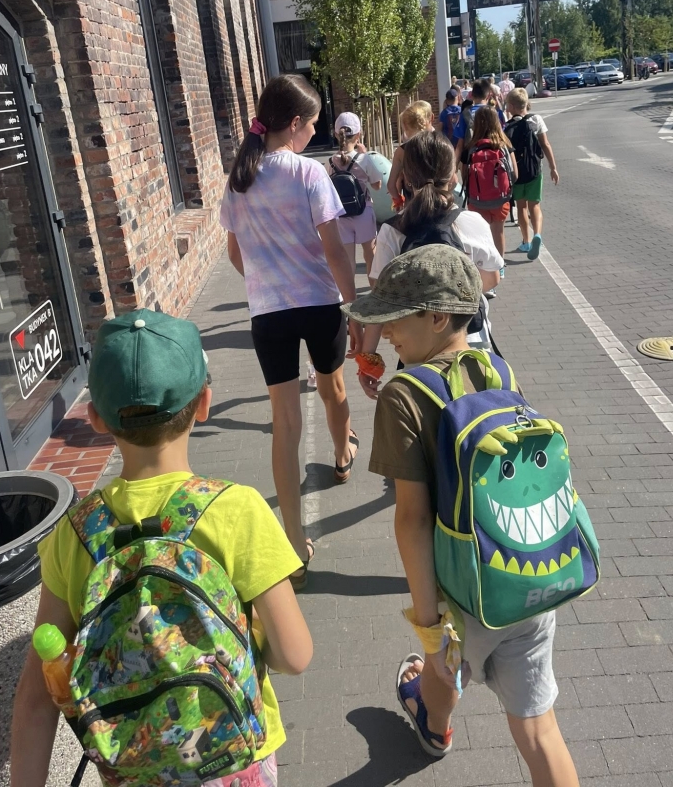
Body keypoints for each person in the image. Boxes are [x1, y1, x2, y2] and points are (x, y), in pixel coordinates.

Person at [10, 309, 314, 787]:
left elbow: (35, 694)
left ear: (95, 418)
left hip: (131, 766)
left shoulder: (72, 533)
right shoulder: (236, 510)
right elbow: (295, 655)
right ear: (205, 403)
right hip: (234, 759)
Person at [343, 247, 580, 786]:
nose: (386, 331)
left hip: (462, 592)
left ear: (436, 317)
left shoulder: (404, 395)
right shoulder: (497, 367)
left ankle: (433, 726)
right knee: (540, 730)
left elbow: (411, 519)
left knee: (444, 668)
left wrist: (429, 623)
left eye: (396, 317)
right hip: (524, 573)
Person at [220, 74, 362, 585]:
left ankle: (295, 541)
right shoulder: (308, 173)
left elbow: (234, 252)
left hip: (269, 313)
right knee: (333, 387)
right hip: (319, 303)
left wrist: (264, 283)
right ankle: (343, 453)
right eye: (314, 124)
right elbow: (334, 250)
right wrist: (355, 305)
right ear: (296, 124)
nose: (316, 133)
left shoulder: (240, 178)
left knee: (284, 423)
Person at [358, 131, 502, 396]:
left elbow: (380, 297)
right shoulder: (472, 222)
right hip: (470, 344)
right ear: (453, 175)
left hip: (417, 348)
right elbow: (492, 279)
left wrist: (368, 359)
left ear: (405, 179)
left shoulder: (393, 231)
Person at [504, 87, 559, 262]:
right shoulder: (536, 120)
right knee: (535, 206)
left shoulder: (507, 126)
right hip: (535, 170)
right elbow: (545, 144)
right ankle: (537, 235)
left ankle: (526, 241)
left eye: (507, 105)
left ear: (512, 106)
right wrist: (553, 167)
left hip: (517, 173)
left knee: (521, 207)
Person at [328, 112, 382, 277]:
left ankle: (349, 292)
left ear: (336, 134)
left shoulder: (330, 162)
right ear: (358, 135)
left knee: (348, 258)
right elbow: (377, 185)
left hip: (341, 215)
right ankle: (374, 289)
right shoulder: (364, 159)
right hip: (363, 211)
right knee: (370, 254)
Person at [462, 105, 517, 261]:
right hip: (500, 198)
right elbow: (515, 174)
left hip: (477, 200)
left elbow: (464, 175)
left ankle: (485, 265)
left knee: (482, 233)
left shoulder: (471, 147)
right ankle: (500, 265)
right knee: (498, 232)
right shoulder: (504, 145)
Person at [388, 100, 434, 203]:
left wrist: (398, 201)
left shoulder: (401, 151)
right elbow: (453, 181)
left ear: (405, 126)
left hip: (413, 204)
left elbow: (391, 185)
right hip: (438, 203)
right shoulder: (441, 144)